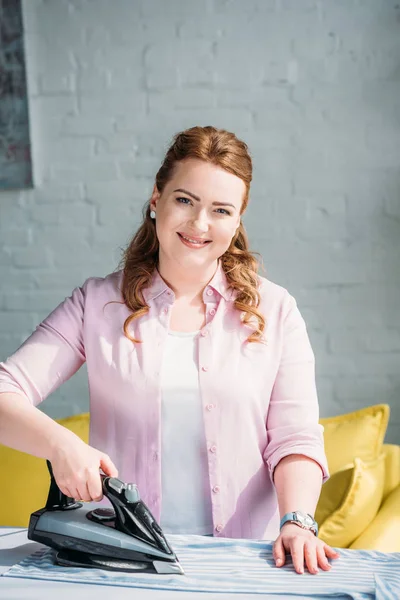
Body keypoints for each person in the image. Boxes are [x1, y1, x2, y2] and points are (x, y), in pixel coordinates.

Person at [0, 125, 339, 575]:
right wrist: (61, 444)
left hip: (244, 565)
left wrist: (297, 521)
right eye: (185, 200)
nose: (199, 224)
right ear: (156, 198)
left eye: (220, 210)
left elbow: (294, 437)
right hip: (122, 563)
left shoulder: (276, 311)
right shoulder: (96, 305)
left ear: (238, 218)